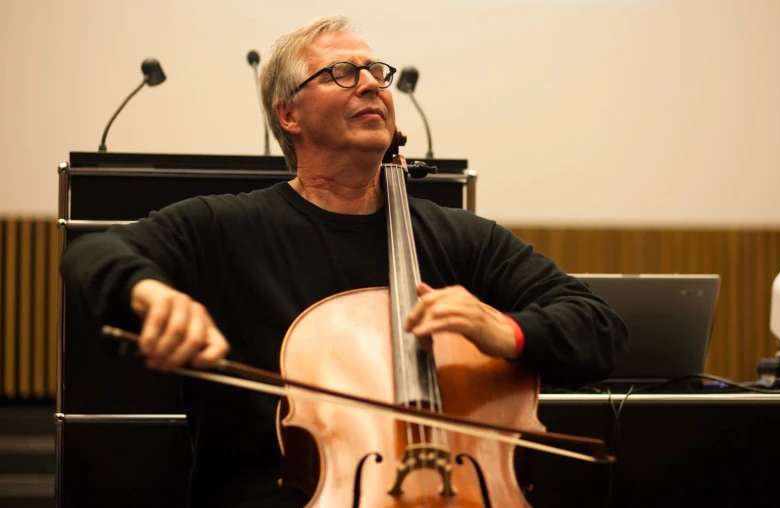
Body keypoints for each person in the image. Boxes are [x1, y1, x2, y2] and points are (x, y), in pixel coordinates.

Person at [60, 14, 628, 508]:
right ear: (289, 115)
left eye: (377, 73)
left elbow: (600, 327)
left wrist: (506, 330)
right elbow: (94, 252)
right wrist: (150, 293)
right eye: (341, 73)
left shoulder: (462, 240)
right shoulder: (224, 227)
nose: (371, 85)